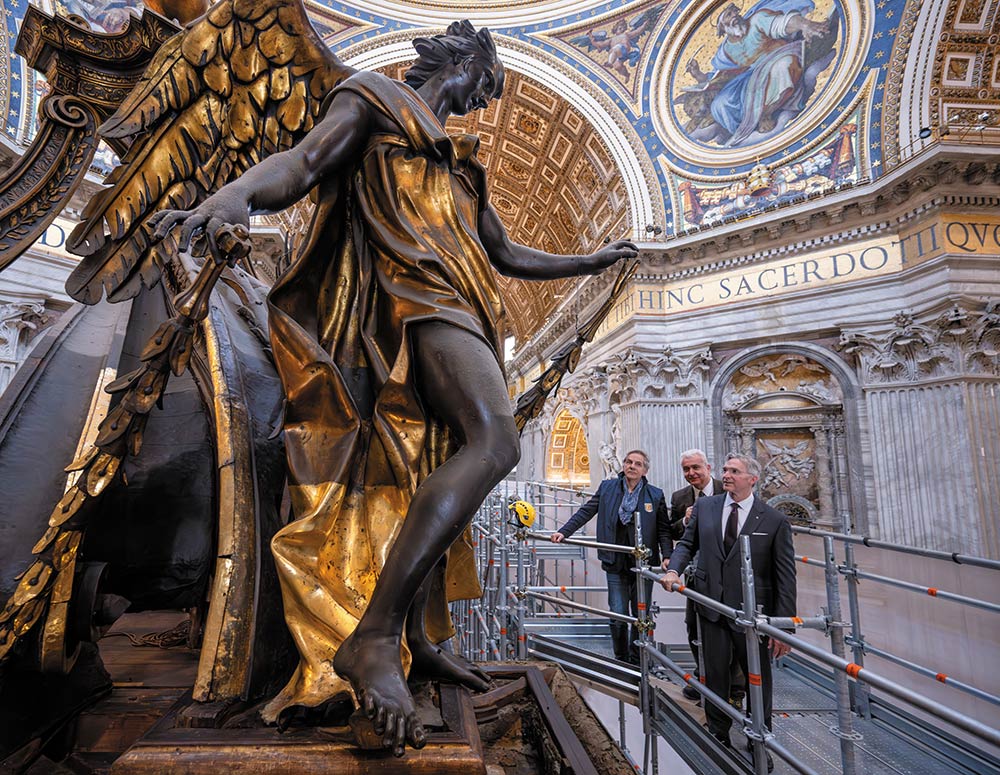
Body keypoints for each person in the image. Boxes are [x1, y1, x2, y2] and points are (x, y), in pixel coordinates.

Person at [152, 21, 637, 756]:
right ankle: (371, 636)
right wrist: (233, 201)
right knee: (496, 441)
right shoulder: (374, 98)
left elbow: (505, 253)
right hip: (413, 302)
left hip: (469, 307)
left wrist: (591, 259)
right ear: (466, 62)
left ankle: (414, 633)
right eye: (486, 83)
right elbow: (303, 161)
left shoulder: (463, 166)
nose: (484, 99)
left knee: (421, 476)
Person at [660, 453, 796, 769]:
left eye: (734, 471)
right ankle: (717, 735)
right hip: (710, 606)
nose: (727, 474)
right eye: (725, 470)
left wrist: (784, 626)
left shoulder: (774, 520)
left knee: (756, 680)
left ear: (753, 479)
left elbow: (785, 576)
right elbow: (686, 544)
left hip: (752, 615)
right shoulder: (706, 507)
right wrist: (674, 571)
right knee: (716, 676)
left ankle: (758, 738)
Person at [551, 450, 671, 664]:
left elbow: (663, 529)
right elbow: (586, 511)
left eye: (637, 464)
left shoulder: (655, 494)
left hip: (643, 564)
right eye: (628, 462)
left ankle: (638, 659)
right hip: (615, 561)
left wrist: (667, 556)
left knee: (641, 615)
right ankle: (621, 659)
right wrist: (564, 531)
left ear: (645, 470)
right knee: (617, 613)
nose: (631, 466)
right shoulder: (607, 488)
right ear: (623, 465)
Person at [681, 0, 833, 147]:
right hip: (751, 75)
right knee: (719, 104)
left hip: (780, 54)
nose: (734, 16)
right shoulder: (726, 50)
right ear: (722, 28)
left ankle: (766, 114)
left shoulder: (757, 20)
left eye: (734, 12)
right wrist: (697, 73)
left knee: (782, 68)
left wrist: (805, 25)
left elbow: (782, 24)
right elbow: (717, 77)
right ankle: (742, 131)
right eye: (728, 15)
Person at [667, 449, 744, 707]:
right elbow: (675, 531)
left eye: (696, 468)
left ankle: (734, 690)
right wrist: (686, 519)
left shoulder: (729, 489)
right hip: (697, 572)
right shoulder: (680, 497)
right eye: (686, 469)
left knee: (730, 628)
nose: (691, 474)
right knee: (694, 625)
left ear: (708, 467)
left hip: (729, 572)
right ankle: (705, 678)